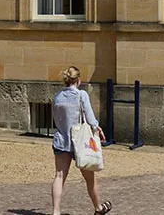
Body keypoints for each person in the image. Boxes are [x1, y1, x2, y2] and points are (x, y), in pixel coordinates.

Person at [50, 66, 112, 215]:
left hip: (62, 139)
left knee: (59, 176)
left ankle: (56, 211)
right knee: (90, 178)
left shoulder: (57, 96)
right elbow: (90, 117)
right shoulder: (81, 95)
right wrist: (98, 129)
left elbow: (55, 118)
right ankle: (98, 208)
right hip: (80, 142)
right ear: (78, 80)